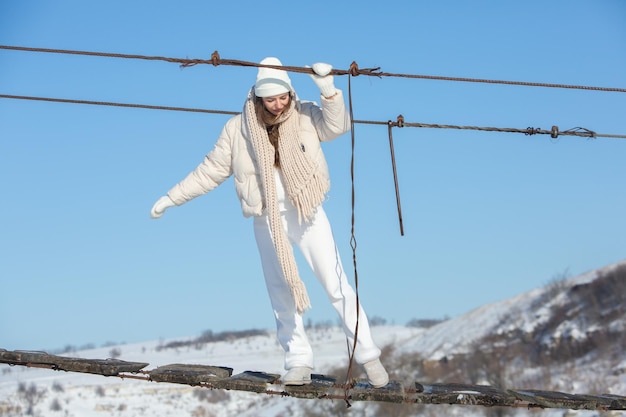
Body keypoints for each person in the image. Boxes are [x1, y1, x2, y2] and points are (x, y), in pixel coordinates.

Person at [150, 57, 389, 388]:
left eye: (283, 98)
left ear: (291, 93)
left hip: (307, 211)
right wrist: (171, 197)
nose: (278, 106)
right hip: (266, 219)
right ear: (258, 97)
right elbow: (210, 171)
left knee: (336, 285)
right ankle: (298, 361)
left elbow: (337, 127)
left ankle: (369, 355)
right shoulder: (238, 129)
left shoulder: (305, 113)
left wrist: (328, 90)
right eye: (270, 99)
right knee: (281, 294)